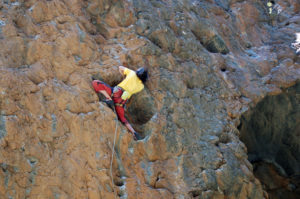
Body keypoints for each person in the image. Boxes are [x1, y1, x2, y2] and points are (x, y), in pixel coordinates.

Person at [92, 66, 148, 140]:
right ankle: (134, 132)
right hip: (121, 101)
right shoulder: (141, 86)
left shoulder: (132, 73)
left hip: (115, 92)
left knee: (95, 83)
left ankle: (108, 98)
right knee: (122, 118)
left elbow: (120, 68)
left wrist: (124, 76)